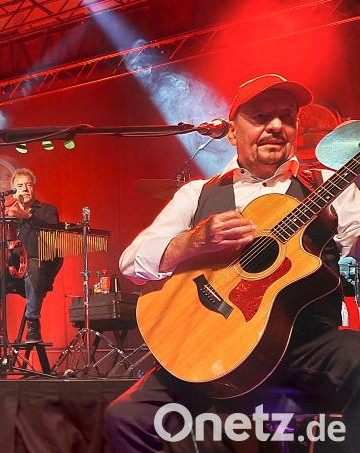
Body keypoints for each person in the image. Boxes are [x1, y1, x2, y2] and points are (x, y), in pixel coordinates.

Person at [108, 74, 360, 451]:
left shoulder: (328, 185)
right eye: (261, 117)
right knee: (125, 418)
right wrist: (191, 242)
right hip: (209, 344)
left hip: (306, 344)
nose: (276, 126)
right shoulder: (198, 193)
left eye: (287, 117)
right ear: (230, 133)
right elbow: (132, 261)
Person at [0, 168, 62, 346]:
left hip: (40, 272)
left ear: (34, 188)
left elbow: (53, 231)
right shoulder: (9, 214)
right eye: (20, 186)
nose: (25, 189)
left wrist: (27, 216)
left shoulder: (47, 210)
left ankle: (33, 323)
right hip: (14, 273)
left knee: (32, 264)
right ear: (13, 190)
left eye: (29, 185)